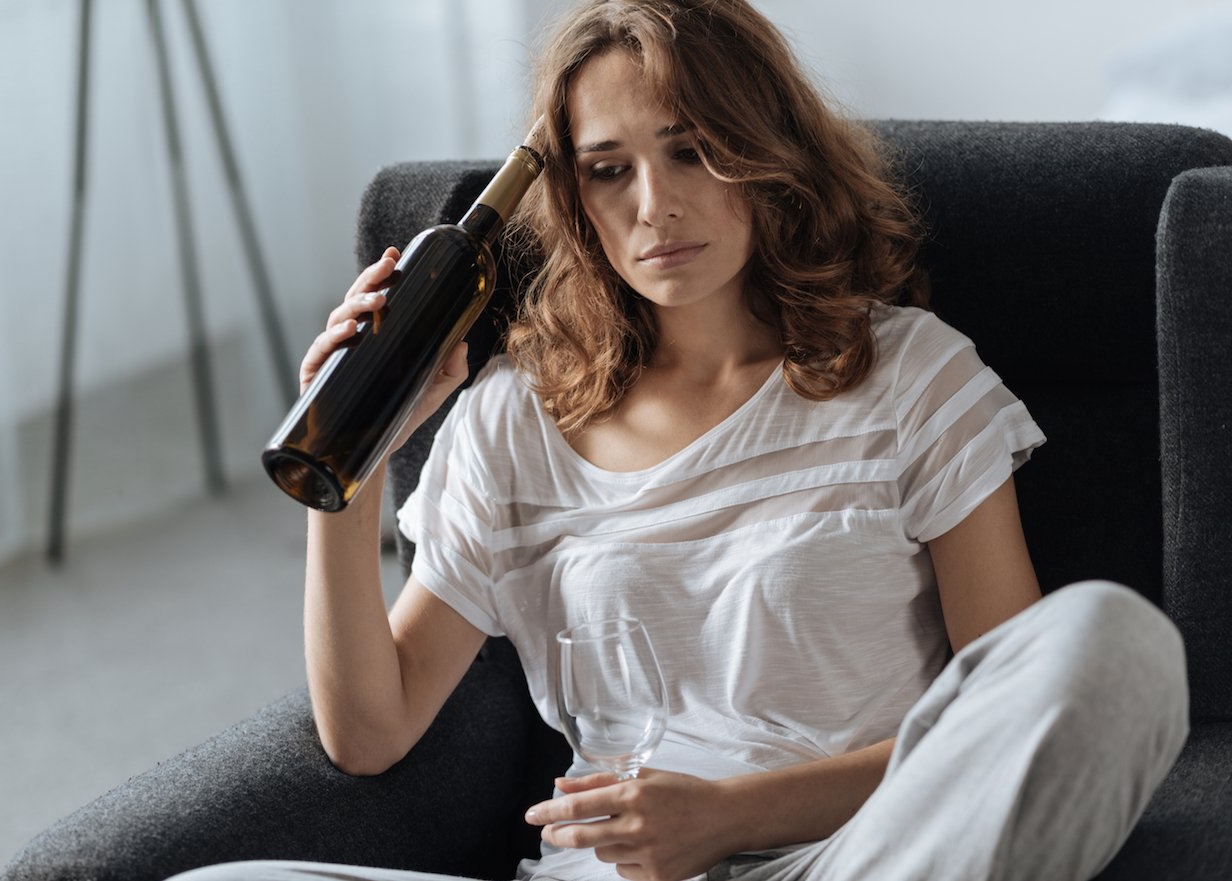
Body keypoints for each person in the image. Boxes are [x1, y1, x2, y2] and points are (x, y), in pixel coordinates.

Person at [175, 1, 1188, 880]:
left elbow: (1000, 720)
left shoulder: (909, 376)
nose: (653, 206)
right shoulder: (510, 422)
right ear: (575, 201)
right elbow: (370, 729)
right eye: (608, 170)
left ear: (765, 153)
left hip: (868, 854)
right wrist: (348, 455)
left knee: (1114, 640)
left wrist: (728, 815)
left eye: (692, 149)